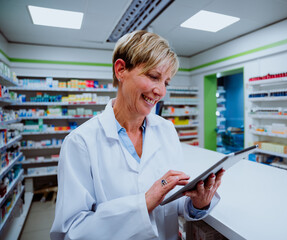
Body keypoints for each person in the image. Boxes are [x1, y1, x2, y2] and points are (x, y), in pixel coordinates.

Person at [50, 30, 225, 240]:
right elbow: (72, 231)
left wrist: (197, 202)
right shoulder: (80, 142)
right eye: (153, 77)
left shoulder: (166, 130)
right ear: (121, 70)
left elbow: (172, 201)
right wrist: (144, 203)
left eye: (166, 82)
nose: (161, 91)